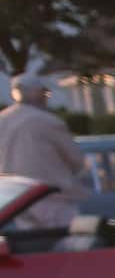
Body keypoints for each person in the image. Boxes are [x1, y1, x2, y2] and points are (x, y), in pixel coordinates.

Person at [0, 73, 87, 229]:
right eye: (43, 92)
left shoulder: (2, 120)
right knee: (63, 246)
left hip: (14, 201)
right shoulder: (46, 121)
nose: (46, 96)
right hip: (52, 196)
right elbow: (76, 161)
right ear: (32, 92)